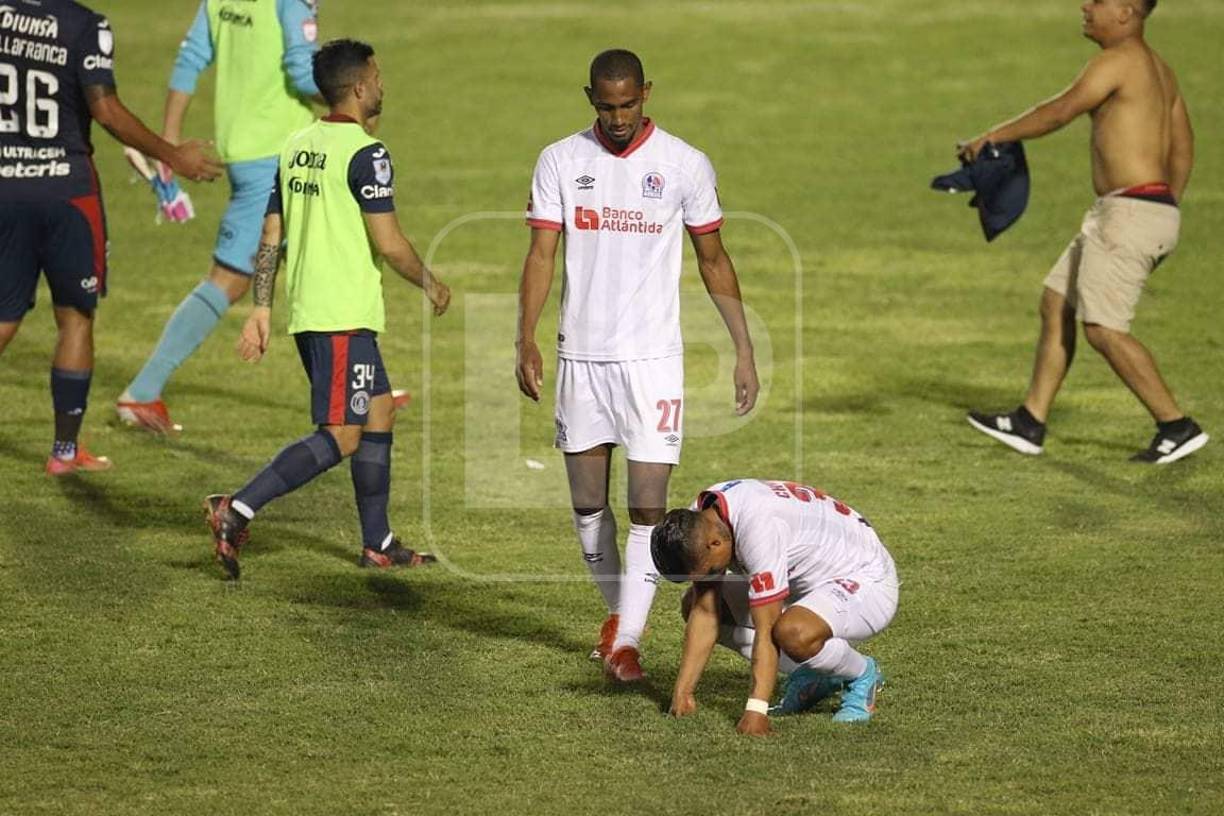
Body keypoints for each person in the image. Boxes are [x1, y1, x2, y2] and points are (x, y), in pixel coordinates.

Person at [515, 49, 759, 682]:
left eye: (627, 104)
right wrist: (525, 337)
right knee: (587, 506)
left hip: (652, 365)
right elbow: (541, 255)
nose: (618, 117)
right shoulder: (560, 161)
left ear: (645, 93)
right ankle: (618, 618)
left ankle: (625, 642)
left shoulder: (683, 164)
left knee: (649, 510)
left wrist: (744, 347)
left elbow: (714, 259)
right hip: (581, 359)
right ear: (590, 99)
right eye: (606, 106)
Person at [203, 39, 451, 580]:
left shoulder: (295, 145)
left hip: (313, 312)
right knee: (342, 433)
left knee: (378, 411)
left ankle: (378, 542)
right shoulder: (366, 154)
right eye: (376, 77)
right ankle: (237, 508)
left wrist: (262, 308)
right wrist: (430, 282)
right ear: (359, 87)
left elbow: (271, 234)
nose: (382, 85)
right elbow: (389, 242)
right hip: (342, 317)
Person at [960, 0, 1207, 464]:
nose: (1086, 6)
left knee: (1103, 329)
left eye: (1099, 0)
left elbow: (1060, 111)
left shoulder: (1118, 60)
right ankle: (1030, 421)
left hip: (1130, 213)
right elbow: (1184, 144)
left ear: (1127, 11)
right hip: (1139, 208)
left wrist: (992, 137)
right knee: (1057, 302)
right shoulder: (1160, 70)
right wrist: (1165, 208)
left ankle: (1176, 425)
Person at [0, 0, 220, 475]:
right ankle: (64, 452)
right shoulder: (84, 24)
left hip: (5, 186)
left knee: (3, 317)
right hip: (67, 193)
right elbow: (105, 110)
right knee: (75, 317)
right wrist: (172, 155)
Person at [116, 0, 323, 433]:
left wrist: (169, 143)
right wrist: (355, 100)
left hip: (245, 152)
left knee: (317, 265)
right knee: (231, 278)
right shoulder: (289, 3)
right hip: (279, 155)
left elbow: (189, 60)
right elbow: (303, 75)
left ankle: (359, 390)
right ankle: (141, 393)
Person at [650, 479, 899, 734]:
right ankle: (817, 672)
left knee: (793, 632)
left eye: (709, 570)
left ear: (714, 543)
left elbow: (766, 629)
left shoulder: (758, 529)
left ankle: (861, 673)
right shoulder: (701, 521)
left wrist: (756, 710)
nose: (708, 578)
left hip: (868, 581)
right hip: (813, 582)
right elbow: (705, 611)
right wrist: (682, 693)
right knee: (697, 604)